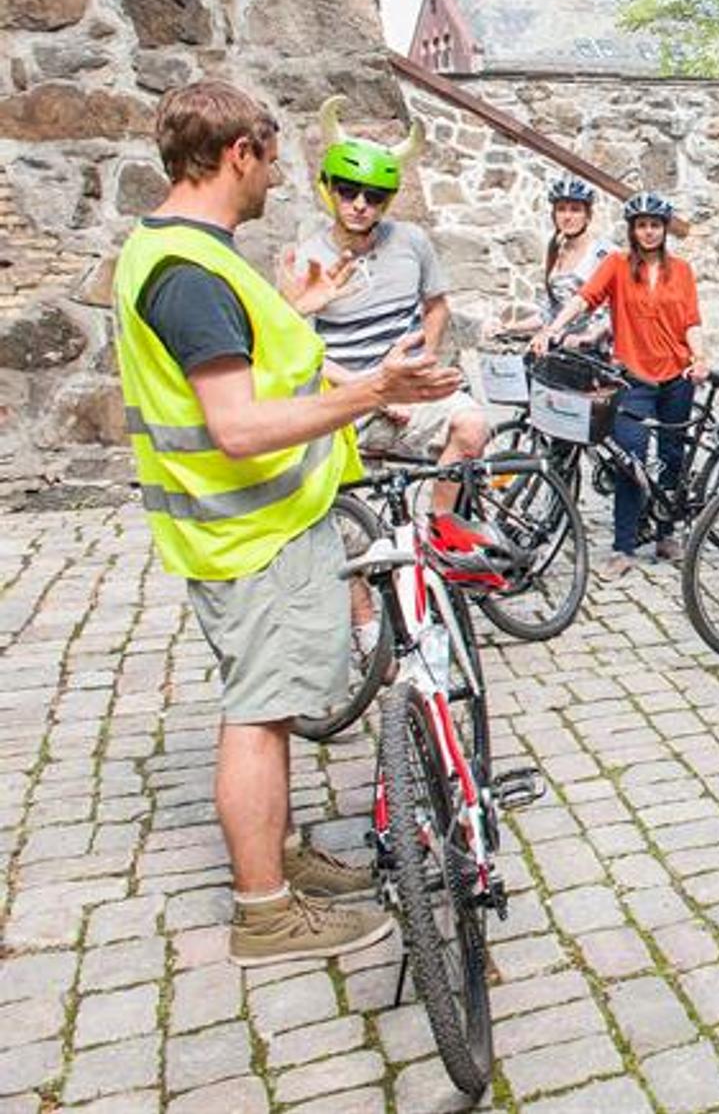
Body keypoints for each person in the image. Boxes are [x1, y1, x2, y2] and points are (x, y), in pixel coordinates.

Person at [114, 80, 461, 965]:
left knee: (267, 710)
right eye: (270, 159)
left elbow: (244, 359)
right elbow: (234, 426)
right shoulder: (191, 275)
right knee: (260, 716)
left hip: (253, 529)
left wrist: (300, 311)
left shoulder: (182, 255)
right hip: (250, 533)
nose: (276, 179)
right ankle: (264, 907)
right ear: (239, 155)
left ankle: (280, 855)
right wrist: (372, 391)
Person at [291, 96, 488, 514]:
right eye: (348, 191)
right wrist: (376, 392)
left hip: (409, 389)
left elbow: (436, 305)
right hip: (347, 400)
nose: (361, 204)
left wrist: (425, 360)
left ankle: (441, 528)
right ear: (328, 189)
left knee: (473, 426)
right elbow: (302, 351)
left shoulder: (411, 241)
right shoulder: (308, 258)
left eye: (375, 196)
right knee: (354, 530)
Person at [533, 192, 708, 578]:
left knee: (672, 456)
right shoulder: (615, 265)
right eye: (641, 225)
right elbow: (583, 300)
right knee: (630, 459)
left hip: (677, 376)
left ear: (664, 230)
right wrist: (552, 329)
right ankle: (623, 546)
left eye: (655, 225)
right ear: (632, 230)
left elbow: (691, 321)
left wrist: (700, 358)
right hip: (633, 377)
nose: (648, 232)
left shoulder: (681, 270)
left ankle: (666, 534)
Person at [500, 177, 612, 350]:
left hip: (599, 351)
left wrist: (591, 336)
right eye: (561, 210)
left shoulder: (604, 254)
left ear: (588, 215)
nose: (567, 217)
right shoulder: (556, 252)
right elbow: (549, 313)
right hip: (561, 348)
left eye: (575, 210)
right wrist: (509, 328)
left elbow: (622, 309)